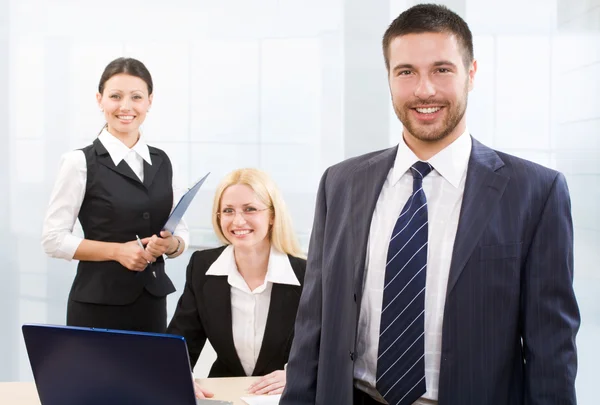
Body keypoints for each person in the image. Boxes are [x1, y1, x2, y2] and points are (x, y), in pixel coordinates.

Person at [281, 4, 580, 405]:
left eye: (442, 69)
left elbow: (551, 351)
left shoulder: (535, 192)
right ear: (389, 78)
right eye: (406, 72)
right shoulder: (341, 183)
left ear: (470, 74)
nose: (424, 90)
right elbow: (313, 323)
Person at [42, 57, 189, 333]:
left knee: (147, 376)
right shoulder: (79, 162)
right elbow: (52, 240)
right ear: (100, 100)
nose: (126, 106)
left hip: (151, 305)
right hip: (96, 307)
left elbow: (180, 233)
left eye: (136, 97)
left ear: (149, 101)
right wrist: (117, 252)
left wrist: (169, 246)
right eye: (115, 96)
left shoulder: (165, 162)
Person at [167, 168, 306, 399]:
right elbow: (179, 342)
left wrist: (297, 374)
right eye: (228, 211)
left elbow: (330, 345)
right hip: (224, 394)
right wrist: (180, 376)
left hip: (286, 396)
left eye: (250, 209)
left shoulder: (308, 274)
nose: (238, 220)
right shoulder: (202, 267)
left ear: (272, 216)